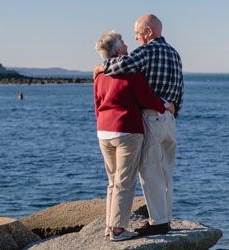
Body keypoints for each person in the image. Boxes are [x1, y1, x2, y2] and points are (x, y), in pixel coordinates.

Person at [94, 14, 184, 236]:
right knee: (165, 172)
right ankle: (165, 216)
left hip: (151, 116)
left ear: (149, 32)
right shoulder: (175, 53)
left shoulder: (146, 52)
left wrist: (100, 67)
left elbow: (122, 64)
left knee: (150, 172)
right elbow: (180, 88)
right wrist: (172, 109)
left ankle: (159, 222)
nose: (135, 39)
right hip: (169, 118)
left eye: (138, 33)